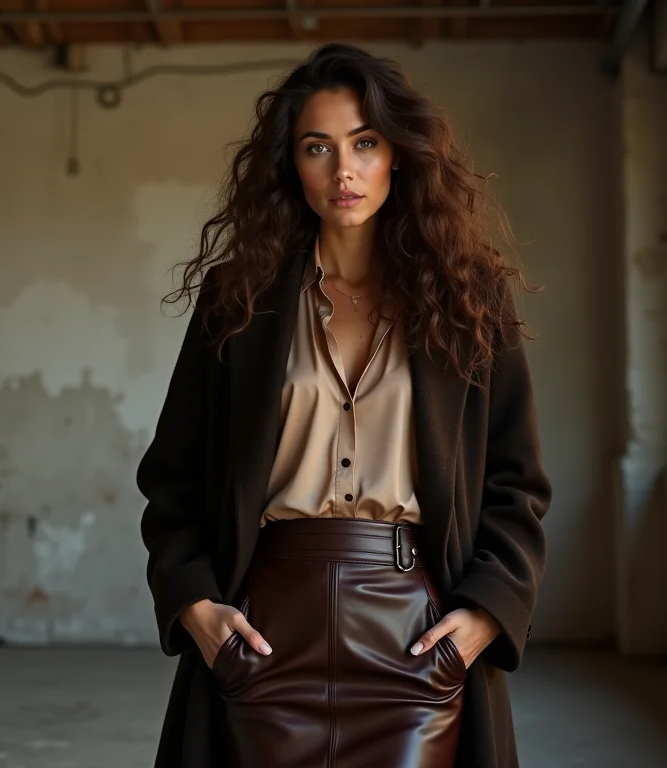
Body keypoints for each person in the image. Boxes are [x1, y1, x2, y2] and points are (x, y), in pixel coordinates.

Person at [137, 42, 551, 768]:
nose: (344, 170)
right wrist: (195, 607)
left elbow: (517, 483)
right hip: (266, 632)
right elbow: (171, 476)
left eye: (365, 142)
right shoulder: (240, 300)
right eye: (316, 147)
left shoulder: (470, 301)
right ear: (291, 166)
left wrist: (487, 613)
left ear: (400, 154)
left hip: (414, 637)